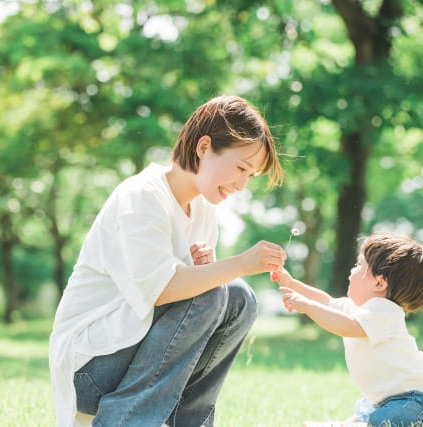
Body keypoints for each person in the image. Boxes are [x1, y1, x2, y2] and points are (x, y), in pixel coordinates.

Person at [49, 95, 287, 427]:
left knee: (240, 299)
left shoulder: (204, 211)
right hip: (90, 368)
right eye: (241, 168)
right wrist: (236, 265)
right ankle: (124, 421)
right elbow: (160, 290)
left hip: (132, 352)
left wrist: (209, 272)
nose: (242, 185)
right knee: (220, 289)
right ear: (204, 147)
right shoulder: (143, 197)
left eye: (251, 176)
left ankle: (189, 422)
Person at [271, 232, 423, 427]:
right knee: (369, 409)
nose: (352, 270)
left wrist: (306, 306)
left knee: (384, 419)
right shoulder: (360, 309)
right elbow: (326, 302)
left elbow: (349, 327)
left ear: (379, 282)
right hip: (392, 398)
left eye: (359, 265)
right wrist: (292, 284)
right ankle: (357, 422)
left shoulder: (384, 311)